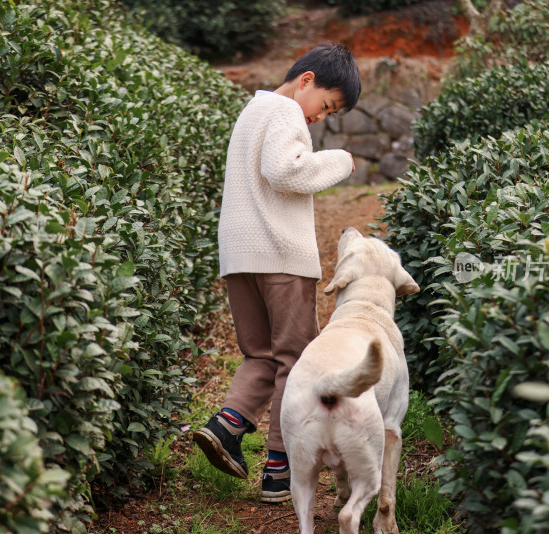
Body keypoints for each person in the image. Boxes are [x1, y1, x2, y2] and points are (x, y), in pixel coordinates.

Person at [193, 42, 361, 503]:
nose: (321, 117)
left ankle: (225, 428)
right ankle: (279, 470)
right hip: (281, 256)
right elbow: (285, 172)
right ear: (306, 80)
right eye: (326, 105)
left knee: (260, 354)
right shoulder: (286, 111)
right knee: (296, 360)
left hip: (240, 256)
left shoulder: (253, 110)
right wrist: (340, 160)